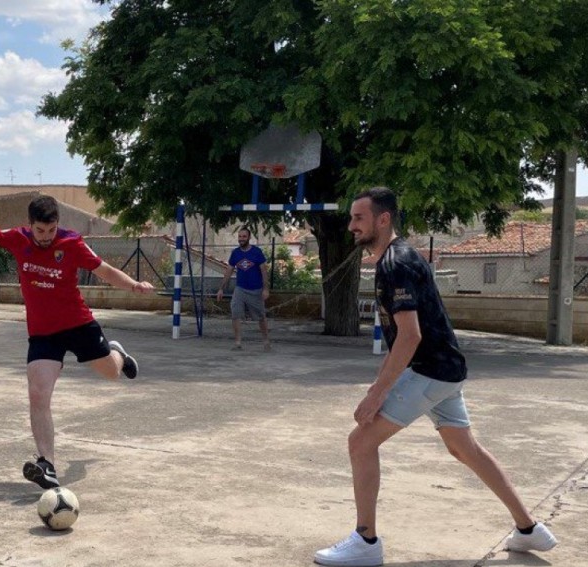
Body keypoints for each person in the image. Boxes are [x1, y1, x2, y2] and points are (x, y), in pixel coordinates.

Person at [314, 187, 557, 566]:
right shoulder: (399, 257)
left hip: (428, 370)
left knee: (360, 442)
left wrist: (378, 393)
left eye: (358, 218)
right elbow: (403, 336)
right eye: (351, 218)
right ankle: (529, 530)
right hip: (446, 370)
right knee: (465, 449)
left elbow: (410, 336)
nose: (351, 226)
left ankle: (366, 542)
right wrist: (382, 383)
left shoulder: (396, 263)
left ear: (383, 219)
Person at [0, 196, 154, 490]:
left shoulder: (71, 243)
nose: (45, 237)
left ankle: (118, 353)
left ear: (57, 226)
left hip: (78, 324)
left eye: (50, 231)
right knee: (38, 394)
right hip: (43, 333)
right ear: (30, 225)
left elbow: (103, 269)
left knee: (112, 373)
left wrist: (134, 285)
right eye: (40, 231)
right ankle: (47, 464)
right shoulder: (17, 239)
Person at [216, 227, 271, 351]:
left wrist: (265, 289)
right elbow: (229, 271)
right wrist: (221, 288)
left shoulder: (257, 252)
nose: (241, 239)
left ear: (249, 238)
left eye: (244, 236)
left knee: (261, 317)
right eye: (240, 236)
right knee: (235, 314)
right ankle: (238, 343)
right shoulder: (235, 253)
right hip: (240, 289)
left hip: (255, 290)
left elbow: (264, 271)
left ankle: (266, 340)